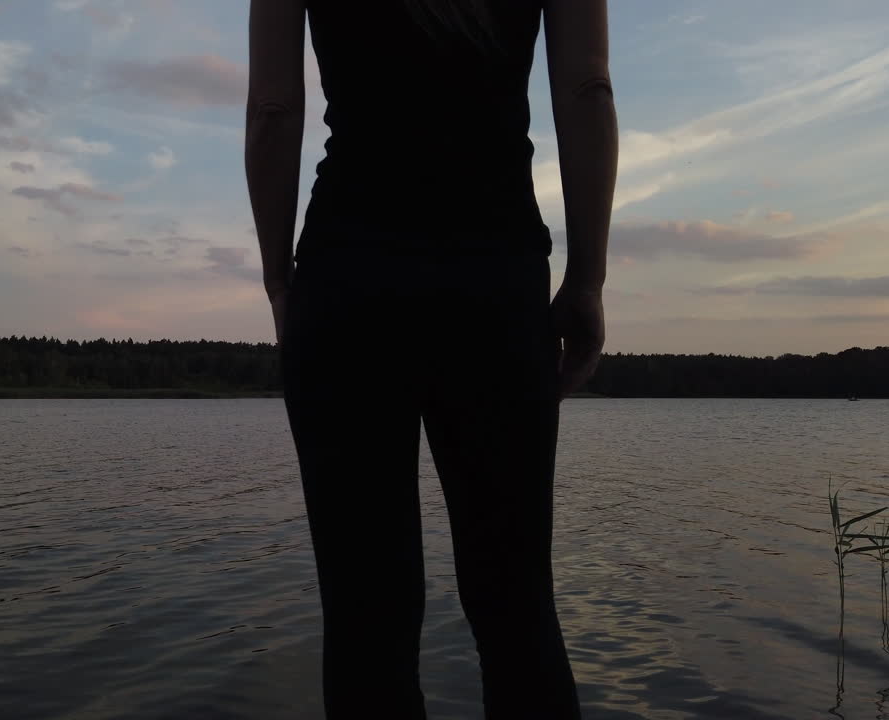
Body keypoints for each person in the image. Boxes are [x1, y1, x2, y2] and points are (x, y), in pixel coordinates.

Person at [245, 0, 618, 718]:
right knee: (516, 612)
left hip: (348, 280)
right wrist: (588, 278)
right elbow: (586, 89)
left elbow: (271, 109)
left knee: (366, 629)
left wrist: (279, 282)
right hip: (495, 282)